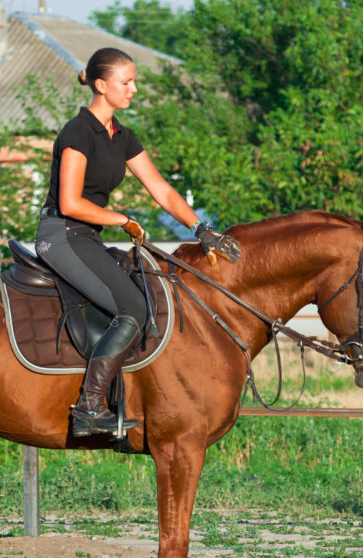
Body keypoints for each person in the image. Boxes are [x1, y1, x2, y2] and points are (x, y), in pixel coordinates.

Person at [35, 47, 241, 438]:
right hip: (59, 234)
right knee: (132, 306)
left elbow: (162, 190)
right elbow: (69, 202)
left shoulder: (121, 136)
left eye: (133, 81)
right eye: (125, 82)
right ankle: (89, 407)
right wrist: (123, 219)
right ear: (101, 85)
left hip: (86, 236)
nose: (133, 89)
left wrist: (201, 229)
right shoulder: (78, 132)